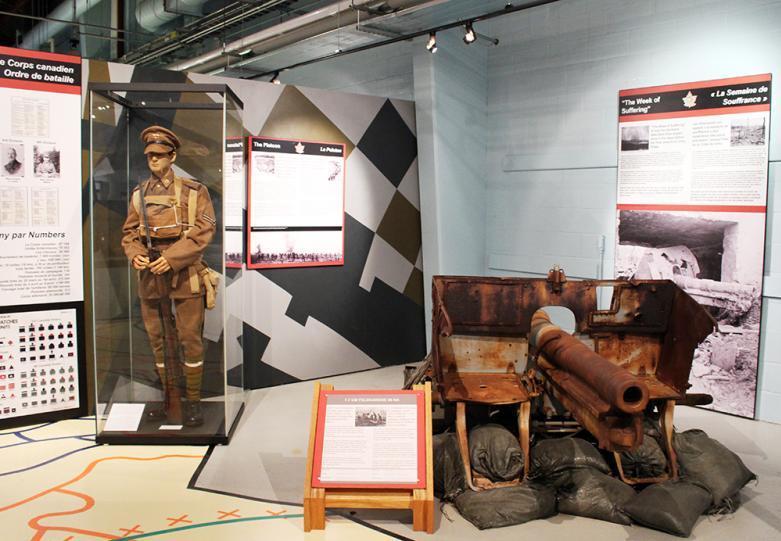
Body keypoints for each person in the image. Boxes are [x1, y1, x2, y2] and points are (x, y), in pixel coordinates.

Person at [121, 126, 217, 427]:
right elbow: (128, 232)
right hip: (151, 275)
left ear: (172, 156)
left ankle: (192, 403)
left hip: (185, 273)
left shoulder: (194, 192)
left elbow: (204, 232)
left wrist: (171, 259)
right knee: (159, 340)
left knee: (190, 339)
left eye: (159, 155)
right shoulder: (139, 195)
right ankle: (169, 399)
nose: (153, 160)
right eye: (149, 155)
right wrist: (134, 252)